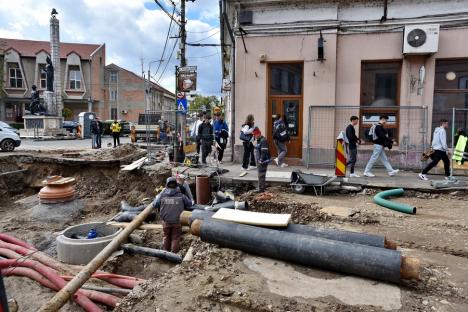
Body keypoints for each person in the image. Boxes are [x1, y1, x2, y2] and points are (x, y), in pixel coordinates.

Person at [152, 177, 192, 253]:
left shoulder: (162, 195)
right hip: (177, 221)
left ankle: (165, 252)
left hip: (166, 221)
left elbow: (154, 205)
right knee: (176, 238)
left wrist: (158, 196)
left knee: (166, 236)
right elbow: (189, 204)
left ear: (166, 185)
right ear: (176, 185)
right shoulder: (181, 195)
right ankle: (174, 254)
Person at [253, 127, 270, 192]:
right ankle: (261, 186)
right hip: (260, 160)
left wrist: (261, 160)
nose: (254, 136)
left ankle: (261, 188)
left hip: (262, 161)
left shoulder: (263, 140)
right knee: (260, 174)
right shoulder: (259, 140)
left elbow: (264, 151)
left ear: (258, 134)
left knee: (261, 174)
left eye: (255, 135)